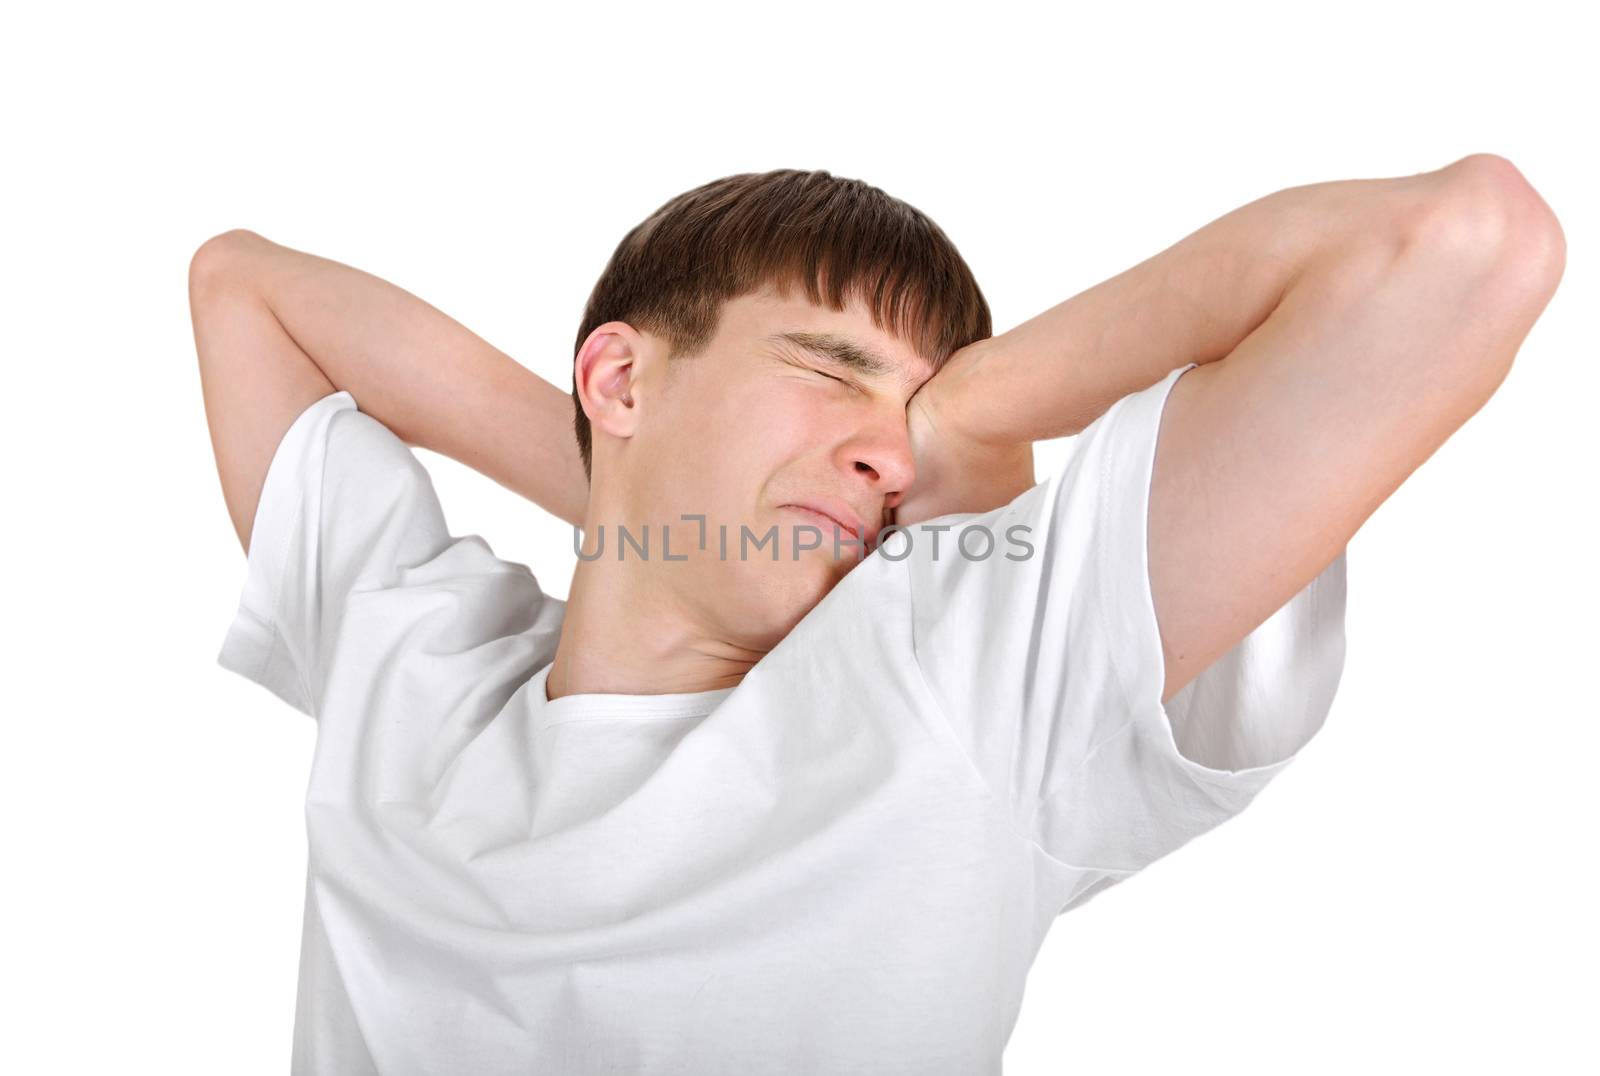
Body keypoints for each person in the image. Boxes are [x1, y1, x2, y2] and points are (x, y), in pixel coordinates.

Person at [191, 156, 1563, 1075]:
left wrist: (975, 411)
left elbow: (1463, 246)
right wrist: (628, 495)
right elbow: (242, 285)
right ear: (618, 376)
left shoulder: (968, 683)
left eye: (918, 421)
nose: (892, 453)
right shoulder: (408, 667)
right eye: (832, 371)